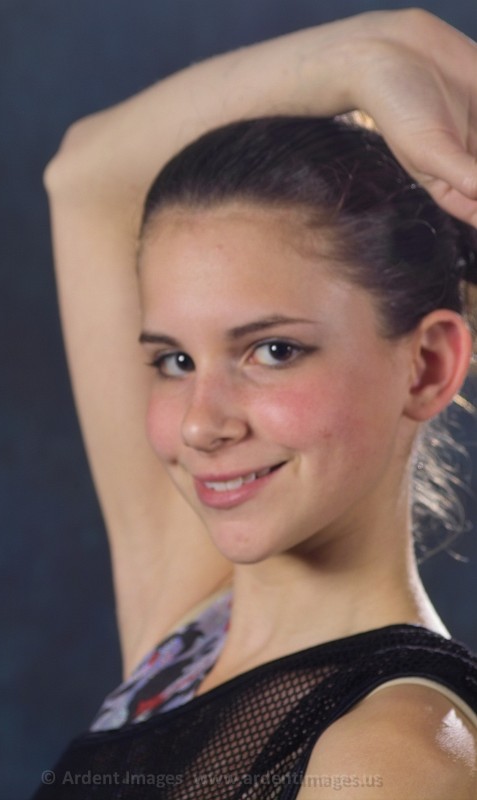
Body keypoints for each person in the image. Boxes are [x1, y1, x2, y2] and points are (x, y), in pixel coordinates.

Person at [36, 9, 477, 799]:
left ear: (427, 366)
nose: (201, 424)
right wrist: (364, 57)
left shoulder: (391, 755)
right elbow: (85, 176)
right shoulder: (191, 640)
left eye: (271, 351)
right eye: (174, 361)